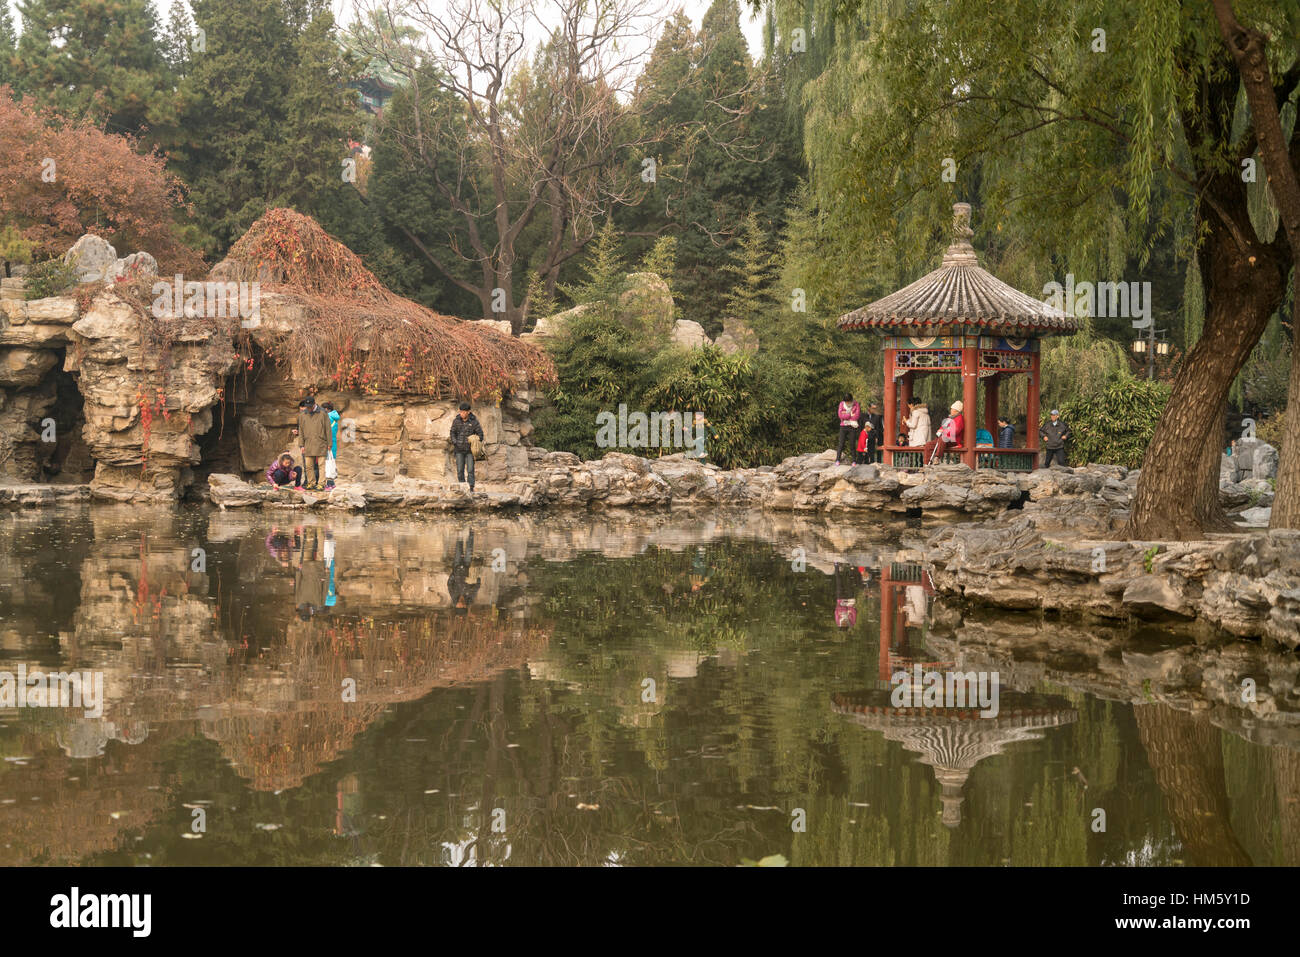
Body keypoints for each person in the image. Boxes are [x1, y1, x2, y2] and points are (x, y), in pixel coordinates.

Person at [292, 397, 332, 490]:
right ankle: (311, 482)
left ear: (314, 404)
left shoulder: (323, 413)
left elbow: (328, 429)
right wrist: (301, 445)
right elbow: (301, 430)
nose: (308, 408)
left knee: (321, 465)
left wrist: (329, 443)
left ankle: (321, 483)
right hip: (308, 443)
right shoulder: (303, 414)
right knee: (308, 466)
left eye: (310, 406)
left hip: (321, 442)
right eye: (307, 406)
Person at [449, 401, 485, 492]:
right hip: (459, 449)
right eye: (460, 411)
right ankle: (462, 487)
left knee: (470, 470)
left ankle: (471, 488)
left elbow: (480, 435)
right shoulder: (456, 420)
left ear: (468, 412)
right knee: (460, 470)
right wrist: (455, 442)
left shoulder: (474, 421)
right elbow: (452, 432)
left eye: (464, 412)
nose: (462, 414)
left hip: (470, 451)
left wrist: (475, 440)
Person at [924, 400, 963, 464]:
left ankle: (937, 458)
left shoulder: (959, 419)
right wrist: (939, 431)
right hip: (943, 439)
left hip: (953, 440)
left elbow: (956, 430)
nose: (951, 410)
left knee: (943, 439)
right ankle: (926, 464)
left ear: (956, 410)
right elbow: (942, 427)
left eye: (952, 409)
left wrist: (944, 431)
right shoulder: (949, 418)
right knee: (929, 445)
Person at [320, 401, 341, 489]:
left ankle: (328, 483)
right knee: (331, 462)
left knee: (327, 463)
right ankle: (332, 484)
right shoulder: (334, 417)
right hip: (333, 443)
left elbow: (326, 431)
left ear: (326, 409)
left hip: (327, 443)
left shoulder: (328, 417)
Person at [836, 393, 860, 464]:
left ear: (851, 400)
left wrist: (845, 413)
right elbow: (840, 415)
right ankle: (837, 460)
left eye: (849, 401)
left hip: (852, 426)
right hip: (843, 426)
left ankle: (854, 461)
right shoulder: (841, 404)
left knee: (852, 444)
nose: (848, 403)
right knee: (841, 444)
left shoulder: (856, 404)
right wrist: (850, 414)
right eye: (846, 402)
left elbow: (856, 416)